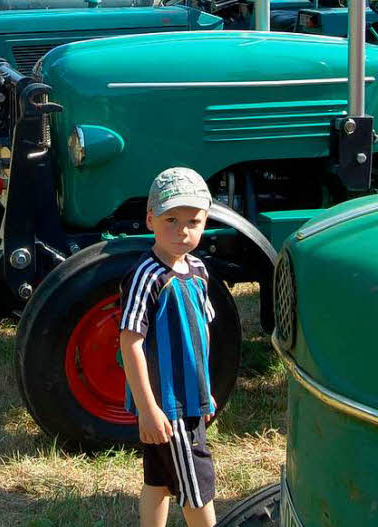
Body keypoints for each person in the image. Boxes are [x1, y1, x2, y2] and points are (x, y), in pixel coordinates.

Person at [119, 167, 218, 527]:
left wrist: (206, 394)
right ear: (150, 219)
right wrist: (148, 409)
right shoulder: (148, 277)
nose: (183, 231)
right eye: (171, 220)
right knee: (197, 487)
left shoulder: (198, 270)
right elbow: (130, 341)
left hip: (191, 399)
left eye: (194, 221)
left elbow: (200, 335)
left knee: (159, 480)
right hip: (169, 406)